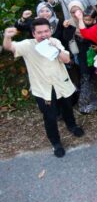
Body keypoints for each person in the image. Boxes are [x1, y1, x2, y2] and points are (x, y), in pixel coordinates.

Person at [3, 23, 84, 158]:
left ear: (50, 31)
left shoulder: (55, 41)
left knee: (67, 107)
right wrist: (7, 37)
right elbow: (9, 47)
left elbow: (66, 59)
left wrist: (56, 49)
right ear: (33, 33)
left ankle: (72, 126)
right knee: (50, 116)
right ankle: (56, 143)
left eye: (46, 31)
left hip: (61, 84)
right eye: (39, 32)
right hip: (43, 88)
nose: (44, 35)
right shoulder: (27, 45)